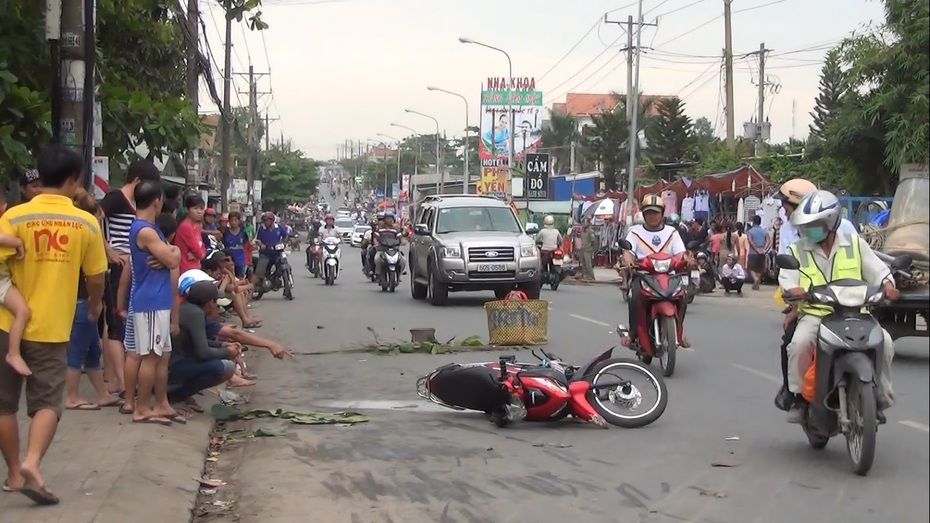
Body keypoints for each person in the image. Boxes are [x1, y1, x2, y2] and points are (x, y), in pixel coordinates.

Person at [0, 144, 108, 505]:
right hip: (51, 327)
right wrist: (95, 305)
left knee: (3, 405)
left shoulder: (13, 217)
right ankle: (32, 461)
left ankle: (15, 474)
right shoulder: (85, 222)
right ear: (74, 180)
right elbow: (96, 276)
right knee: (47, 402)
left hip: (5, 322)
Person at [779, 190, 897, 423]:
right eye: (808, 224)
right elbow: (788, 278)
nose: (810, 228)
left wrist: (888, 284)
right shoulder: (797, 249)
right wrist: (793, 290)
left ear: (831, 222)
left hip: (856, 313)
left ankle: (880, 397)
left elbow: (879, 270)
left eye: (817, 223)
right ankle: (799, 397)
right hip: (816, 315)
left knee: (885, 342)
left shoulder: (854, 244)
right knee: (799, 344)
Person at [100, 160, 162, 397]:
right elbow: (92, 220)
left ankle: (116, 378)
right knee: (116, 323)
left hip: (131, 265)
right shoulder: (116, 198)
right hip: (118, 265)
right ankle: (124, 382)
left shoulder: (133, 204)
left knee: (118, 322)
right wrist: (108, 249)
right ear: (137, 181)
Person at [125, 180, 181, 426]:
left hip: (158, 300)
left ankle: (161, 403)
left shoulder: (150, 228)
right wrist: (172, 254)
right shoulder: (145, 230)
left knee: (163, 355)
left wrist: (172, 253)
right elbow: (171, 259)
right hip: (150, 301)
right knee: (150, 356)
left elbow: (171, 255)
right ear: (157, 200)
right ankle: (142, 408)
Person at [64, 189, 121, 410]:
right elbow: (94, 276)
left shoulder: (77, 233)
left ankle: (103, 394)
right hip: (83, 300)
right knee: (78, 350)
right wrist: (95, 302)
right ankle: (72, 396)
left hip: (82, 299)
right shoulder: (88, 234)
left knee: (92, 351)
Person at [621, 195, 691, 349]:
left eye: (656, 212)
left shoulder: (672, 232)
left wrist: (685, 259)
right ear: (644, 214)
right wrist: (627, 258)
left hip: (668, 276)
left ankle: (679, 332)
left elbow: (680, 253)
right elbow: (628, 250)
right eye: (649, 213)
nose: (652, 216)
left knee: (683, 297)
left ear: (662, 214)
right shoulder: (635, 232)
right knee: (634, 298)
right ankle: (633, 334)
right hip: (644, 276)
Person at [167, 280, 238, 410]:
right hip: (173, 367)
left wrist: (221, 345)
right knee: (226, 367)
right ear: (210, 302)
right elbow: (203, 352)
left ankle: (177, 392)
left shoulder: (186, 308)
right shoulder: (195, 314)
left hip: (175, 361)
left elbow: (195, 341)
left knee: (220, 358)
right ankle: (176, 396)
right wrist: (228, 352)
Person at [173, 194, 207, 274]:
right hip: (186, 270)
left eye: (201, 209)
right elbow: (198, 252)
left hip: (195, 267)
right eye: (195, 208)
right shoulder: (186, 227)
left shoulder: (196, 226)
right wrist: (199, 254)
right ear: (187, 210)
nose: (199, 212)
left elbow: (202, 248)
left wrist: (199, 254)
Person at [252, 211, 287, 287]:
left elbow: (285, 236)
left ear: (272, 220)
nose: (266, 222)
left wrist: (287, 242)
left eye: (267, 220)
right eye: (265, 221)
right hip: (265, 253)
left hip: (278, 253)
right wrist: (262, 245)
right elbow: (258, 240)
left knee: (282, 264)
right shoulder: (262, 229)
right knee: (259, 272)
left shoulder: (279, 228)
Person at [373, 211, 406, 278]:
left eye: (391, 218)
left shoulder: (395, 229)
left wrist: (403, 241)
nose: (390, 220)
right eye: (388, 218)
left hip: (394, 249)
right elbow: (375, 238)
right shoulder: (380, 228)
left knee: (403, 261)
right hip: (382, 249)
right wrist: (376, 243)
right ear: (384, 220)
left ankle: (399, 274)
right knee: (377, 259)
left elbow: (400, 237)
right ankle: (378, 274)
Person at [746, 215, 771, 290]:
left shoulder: (750, 231)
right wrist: (764, 249)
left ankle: (756, 279)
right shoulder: (764, 231)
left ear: (753, 222)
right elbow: (768, 240)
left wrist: (756, 249)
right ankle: (756, 283)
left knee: (751, 267)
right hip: (762, 252)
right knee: (759, 268)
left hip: (753, 252)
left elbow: (750, 241)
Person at [222, 212, 248, 278]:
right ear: (229, 221)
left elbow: (247, 246)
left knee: (240, 277)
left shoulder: (243, 233)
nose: (233, 222)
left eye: (235, 220)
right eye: (232, 220)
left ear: (239, 221)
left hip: (240, 260)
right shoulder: (225, 233)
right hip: (229, 260)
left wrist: (248, 260)